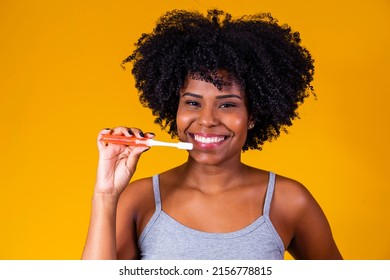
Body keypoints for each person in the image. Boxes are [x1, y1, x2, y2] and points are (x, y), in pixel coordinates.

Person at [82, 9, 342, 260]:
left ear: (252, 116)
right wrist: (105, 195)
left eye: (227, 104)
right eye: (193, 103)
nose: (207, 120)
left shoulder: (289, 201)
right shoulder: (140, 199)